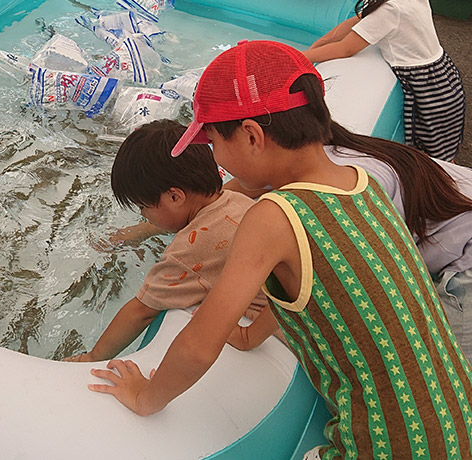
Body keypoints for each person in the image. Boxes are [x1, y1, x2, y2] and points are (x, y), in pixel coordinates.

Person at [87, 39, 472, 460]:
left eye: (213, 142)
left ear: (251, 136)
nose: (214, 159)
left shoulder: (275, 216)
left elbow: (199, 345)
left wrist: (145, 397)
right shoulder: (359, 184)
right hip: (457, 420)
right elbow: (322, 288)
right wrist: (251, 338)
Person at [226, 121, 472, 363]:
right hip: (459, 230)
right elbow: (235, 188)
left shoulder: (331, 199)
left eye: (214, 142)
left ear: (253, 138)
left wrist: (249, 335)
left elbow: (313, 282)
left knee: (450, 370)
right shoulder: (323, 154)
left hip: (465, 265)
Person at [65, 120, 266, 363]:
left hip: (275, 332)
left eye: (143, 206)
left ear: (174, 196)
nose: (142, 214)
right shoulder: (234, 199)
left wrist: (93, 356)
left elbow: (142, 311)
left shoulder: (189, 251)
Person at [304, 0, 465, 160]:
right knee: (442, 148)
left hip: (429, 92)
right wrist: (318, 44)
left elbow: (347, 48)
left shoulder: (391, 11)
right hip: (444, 80)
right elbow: (353, 23)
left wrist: (300, 56)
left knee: (434, 157)